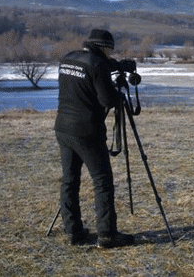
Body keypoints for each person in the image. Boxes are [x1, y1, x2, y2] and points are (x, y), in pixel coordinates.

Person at [54, 29, 135, 248]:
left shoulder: (68, 58)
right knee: (103, 182)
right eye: (110, 50)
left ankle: (73, 231)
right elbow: (107, 99)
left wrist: (117, 65)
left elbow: (90, 71)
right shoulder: (98, 65)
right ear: (104, 47)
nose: (111, 53)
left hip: (63, 128)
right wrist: (118, 92)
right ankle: (107, 234)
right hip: (87, 131)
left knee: (70, 181)